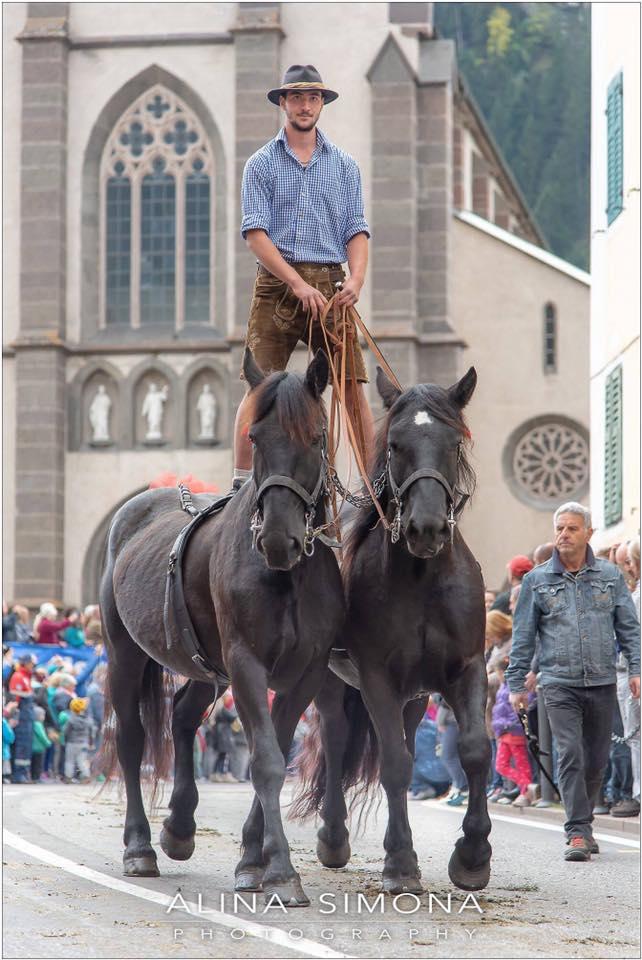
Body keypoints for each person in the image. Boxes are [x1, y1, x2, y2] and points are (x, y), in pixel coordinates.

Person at [233, 63, 374, 490]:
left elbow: (356, 230)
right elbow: (255, 234)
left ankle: (374, 482)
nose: (305, 106)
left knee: (351, 386)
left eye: (313, 98)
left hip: (331, 284)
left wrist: (356, 279)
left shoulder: (344, 166)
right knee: (259, 385)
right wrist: (296, 282)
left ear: (321, 104)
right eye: (297, 98)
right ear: (283, 103)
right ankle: (240, 483)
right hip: (277, 284)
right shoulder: (260, 164)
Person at [507, 501, 640, 862]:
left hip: (601, 681)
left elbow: (629, 628)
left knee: (596, 760)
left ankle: (585, 825)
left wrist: (637, 669)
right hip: (557, 683)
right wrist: (516, 685)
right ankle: (577, 831)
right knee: (570, 753)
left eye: (572, 528)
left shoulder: (610, 576)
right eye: (559, 528)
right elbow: (522, 638)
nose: (563, 535)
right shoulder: (536, 580)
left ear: (589, 533)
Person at [61, 697, 94, 783]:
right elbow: (91, 732)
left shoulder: (71, 719)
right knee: (82, 761)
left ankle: (68, 777)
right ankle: (86, 776)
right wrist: (91, 743)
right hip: (84, 743)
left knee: (69, 761)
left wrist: (65, 739)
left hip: (71, 743)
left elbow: (65, 731)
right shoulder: (88, 720)